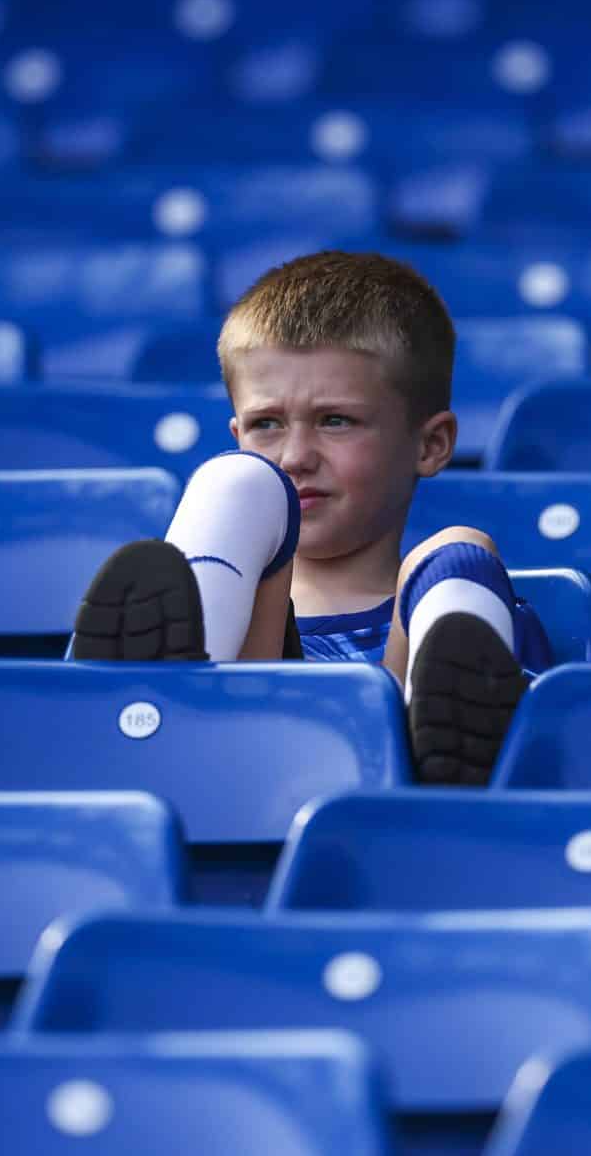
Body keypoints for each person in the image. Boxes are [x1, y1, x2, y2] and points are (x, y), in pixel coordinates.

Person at [71, 249, 553, 784]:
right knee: (235, 484)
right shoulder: (178, 587)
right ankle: (154, 693)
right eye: (267, 424)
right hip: (204, 776)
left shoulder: (479, 614)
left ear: (431, 444)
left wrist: (456, 572)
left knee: (458, 553)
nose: (296, 456)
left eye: (336, 421)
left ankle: (439, 742)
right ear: (237, 432)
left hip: (394, 798)